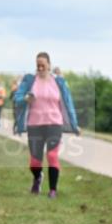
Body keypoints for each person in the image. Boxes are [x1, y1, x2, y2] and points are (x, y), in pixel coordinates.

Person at [13, 52, 80, 198]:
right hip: (34, 125)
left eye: (43, 64)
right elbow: (17, 97)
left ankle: (53, 190)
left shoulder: (59, 82)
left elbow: (68, 103)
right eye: (38, 64)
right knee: (34, 162)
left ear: (49, 64)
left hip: (54, 123)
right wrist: (25, 98)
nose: (40, 67)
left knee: (52, 155)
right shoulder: (30, 80)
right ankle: (38, 178)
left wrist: (75, 125)